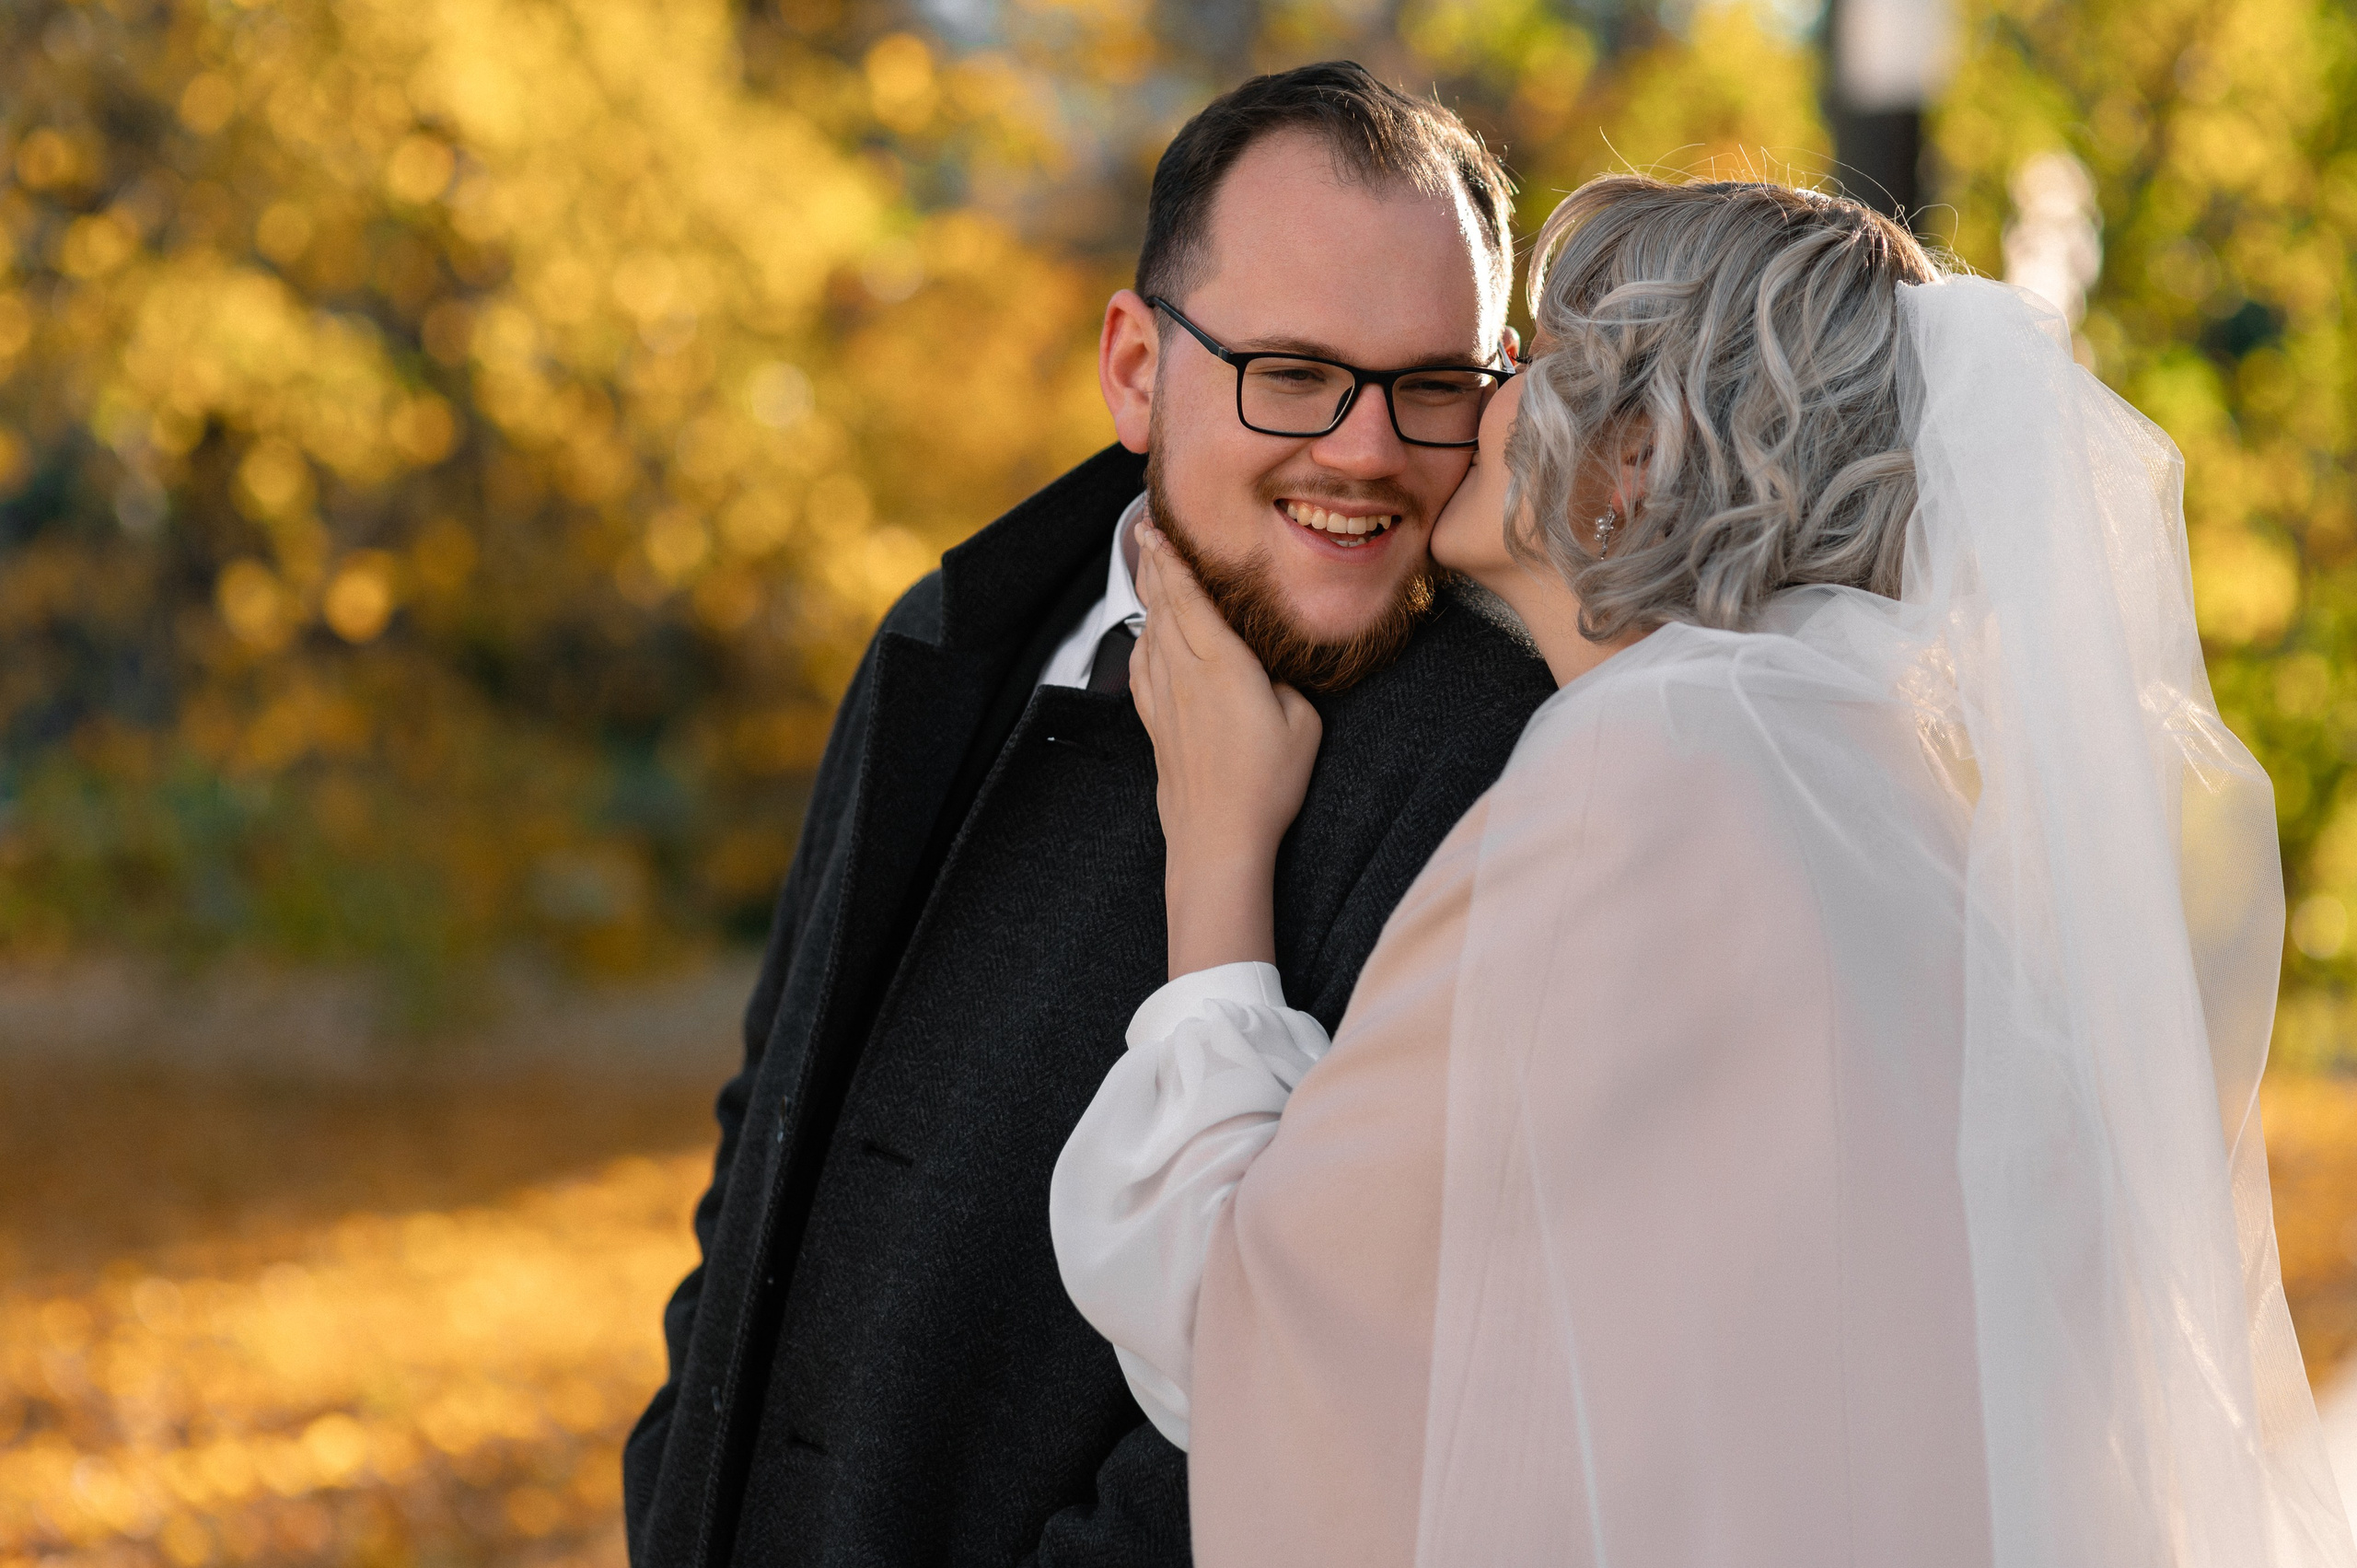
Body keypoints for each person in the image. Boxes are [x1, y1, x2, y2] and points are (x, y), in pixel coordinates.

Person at [1051, 175, 2357, 1564]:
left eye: (1536, 366)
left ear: (1632, 454)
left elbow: (1247, 1314)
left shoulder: (1645, 771)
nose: (1484, 408)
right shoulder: (1883, 788)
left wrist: (1220, 848)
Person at [622, 63, 1555, 1568]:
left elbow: (1340, 1391)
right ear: (1136, 367)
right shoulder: (950, 634)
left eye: (1433, 385)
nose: (1370, 451)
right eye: (1295, 373)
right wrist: (676, 1486)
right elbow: (767, 1117)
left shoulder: (1494, 776)